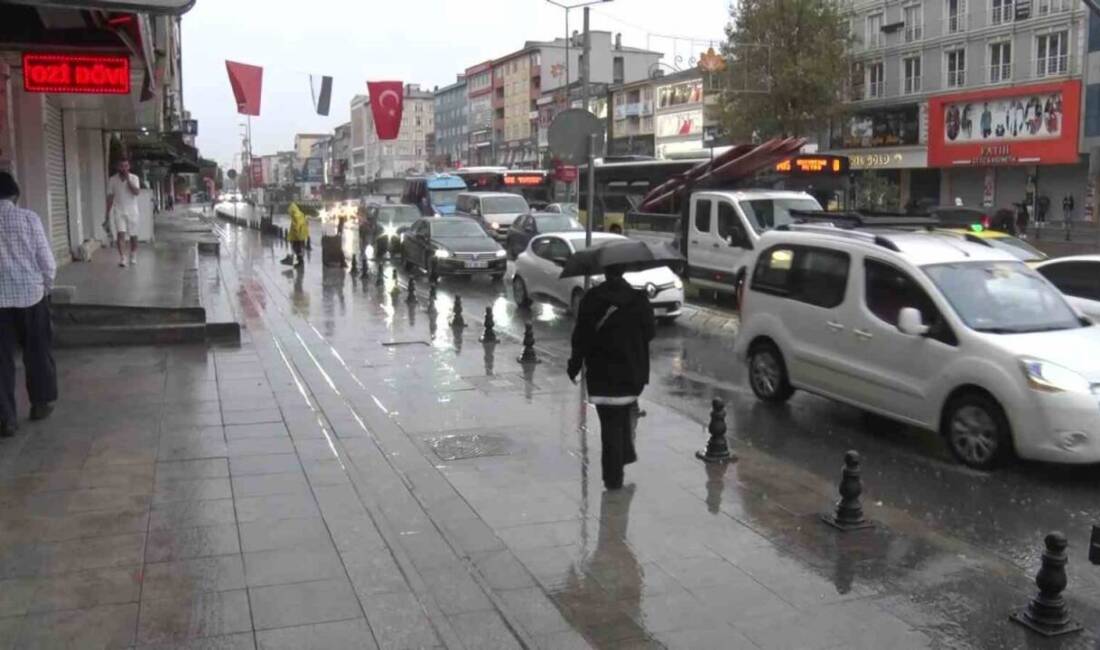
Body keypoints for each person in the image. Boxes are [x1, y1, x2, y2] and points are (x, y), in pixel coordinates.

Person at [568, 265, 655, 490]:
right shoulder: (639, 299)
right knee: (622, 415)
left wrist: (574, 365)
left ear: (605, 272)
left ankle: (613, 475)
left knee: (610, 425)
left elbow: (581, 336)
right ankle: (618, 467)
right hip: (631, 374)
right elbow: (650, 333)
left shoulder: (591, 299)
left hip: (601, 375)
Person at [0, 172, 58, 437]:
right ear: (14, 194)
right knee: (37, 352)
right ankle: (40, 404)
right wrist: (47, 287)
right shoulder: (28, 218)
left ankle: (5, 420)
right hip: (32, 298)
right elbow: (46, 261)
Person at [106, 159, 141, 268]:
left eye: (126, 166)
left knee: (133, 235)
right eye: (121, 166)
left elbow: (136, 192)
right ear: (118, 167)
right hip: (119, 210)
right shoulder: (112, 180)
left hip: (132, 210)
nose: (124, 168)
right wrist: (106, 213)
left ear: (129, 166)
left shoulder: (134, 178)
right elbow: (110, 197)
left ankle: (133, 255)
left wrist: (128, 181)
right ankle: (123, 258)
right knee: (120, 234)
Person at [282, 201, 309, 267]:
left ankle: (300, 262)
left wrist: (296, 235)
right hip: (300, 234)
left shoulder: (296, 215)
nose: (289, 214)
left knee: (297, 248)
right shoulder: (299, 214)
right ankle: (297, 260)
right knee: (297, 248)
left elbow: (296, 225)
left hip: (298, 235)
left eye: (290, 212)